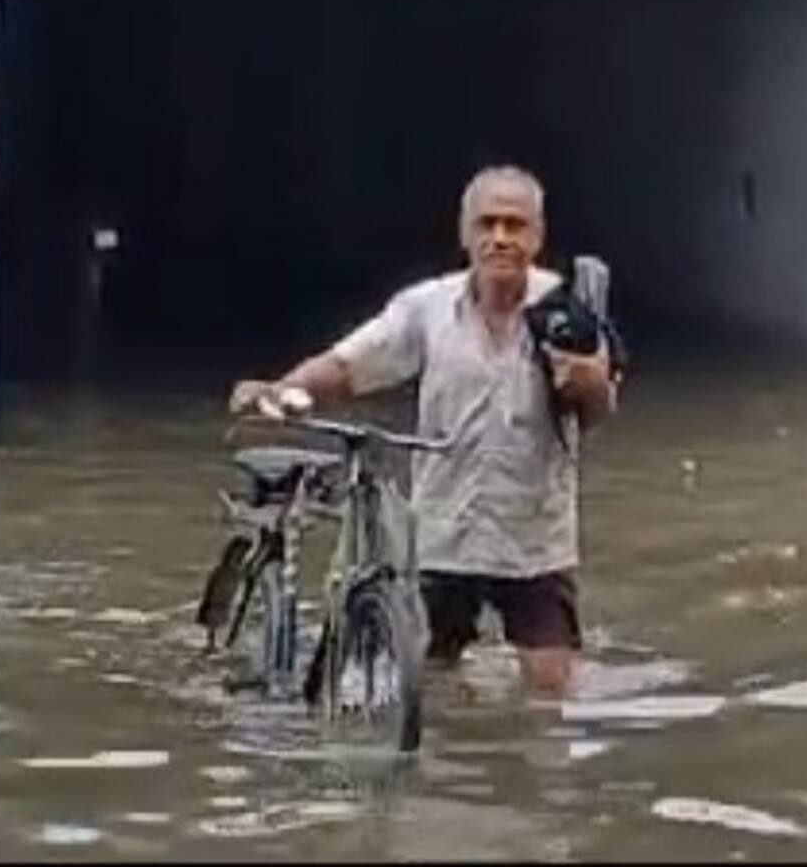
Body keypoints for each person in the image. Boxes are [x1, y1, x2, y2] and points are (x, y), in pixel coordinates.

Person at [228, 165, 620, 698]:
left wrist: (591, 382)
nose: (500, 238)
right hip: (444, 532)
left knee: (550, 690)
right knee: (429, 681)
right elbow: (349, 364)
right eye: (487, 224)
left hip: (533, 538)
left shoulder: (568, 309)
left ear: (537, 235)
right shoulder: (427, 308)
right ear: (465, 233)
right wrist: (283, 390)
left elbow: (596, 412)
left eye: (514, 225)